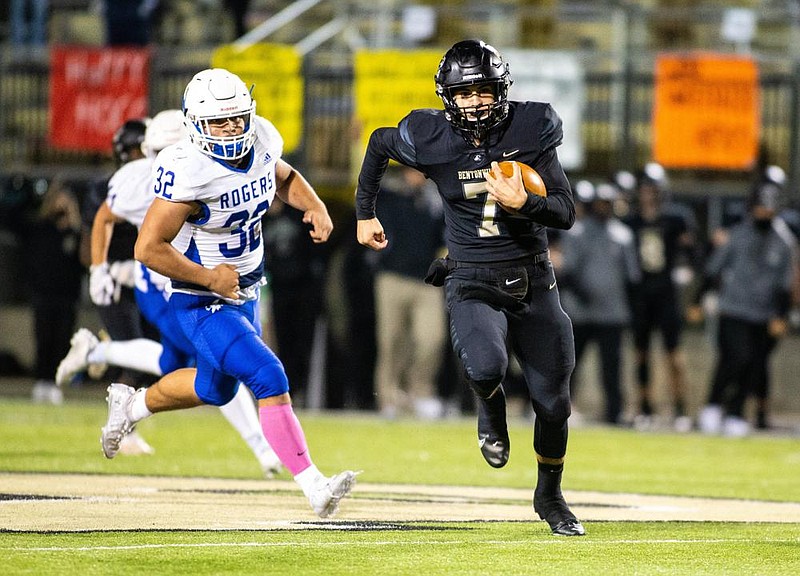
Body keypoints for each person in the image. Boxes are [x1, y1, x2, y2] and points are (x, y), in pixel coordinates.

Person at [101, 68, 356, 517]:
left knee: (214, 388)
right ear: (195, 124)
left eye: (238, 119)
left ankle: (133, 404)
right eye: (220, 122)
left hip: (246, 286)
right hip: (200, 298)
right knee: (268, 375)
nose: (232, 129)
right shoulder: (188, 170)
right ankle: (314, 485)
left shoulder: (260, 138)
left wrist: (313, 205)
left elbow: (282, 175)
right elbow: (147, 247)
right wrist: (207, 278)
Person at [355, 40, 583, 536]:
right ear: (447, 98)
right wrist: (364, 212)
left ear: (501, 90)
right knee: (486, 366)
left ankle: (550, 494)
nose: (475, 101)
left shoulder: (531, 127)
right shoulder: (429, 135)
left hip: (533, 280)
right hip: (471, 278)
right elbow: (377, 142)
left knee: (554, 402)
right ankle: (490, 407)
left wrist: (526, 204)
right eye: (464, 93)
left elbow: (565, 211)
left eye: (483, 91)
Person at [58, 109, 283, 474]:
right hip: (168, 289)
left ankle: (96, 352)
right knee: (221, 361)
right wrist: (100, 268)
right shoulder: (138, 178)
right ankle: (262, 449)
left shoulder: (211, 168)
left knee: (171, 364)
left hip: (190, 285)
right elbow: (108, 221)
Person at [693, 172, 796, 437]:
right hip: (734, 309)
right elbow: (714, 267)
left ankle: (736, 412)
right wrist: (697, 299)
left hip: (763, 313)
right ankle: (713, 406)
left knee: (753, 364)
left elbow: (785, 284)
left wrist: (781, 315)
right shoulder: (738, 234)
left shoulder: (784, 242)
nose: (764, 212)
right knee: (734, 358)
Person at [79, 118, 156, 390]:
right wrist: (105, 271)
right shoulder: (110, 188)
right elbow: (88, 246)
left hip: (152, 278)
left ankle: (100, 350)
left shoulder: (166, 181)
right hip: (116, 282)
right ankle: (122, 425)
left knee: (160, 360)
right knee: (136, 365)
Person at [557, 182, 640, 425]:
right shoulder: (577, 233)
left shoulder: (623, 236)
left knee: (612, 368)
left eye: (608, 203)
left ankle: (614, 412)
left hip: (612, 313)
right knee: (570, 364)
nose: (604, 208)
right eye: (600, 203)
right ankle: (561, 408)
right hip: (579, 311)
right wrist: (583, 292)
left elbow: (632, 276)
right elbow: (567, 271)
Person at [625, 163, 698, 431]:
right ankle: (645, 407)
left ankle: (680, 409)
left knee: (674, 355)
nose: (648, 194)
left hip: (666, 291)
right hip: (642, 294)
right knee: (641, 354)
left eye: (652, 189)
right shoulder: (630, 221)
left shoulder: (676, 218)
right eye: (645, 189)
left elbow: (690, 253)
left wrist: (685, 270)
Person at [372, 165, 447, 419]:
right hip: (391, 277)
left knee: (431, 338)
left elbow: (444, 237)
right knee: (391, 340)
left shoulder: (434, 200)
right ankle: (389, 397)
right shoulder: (387, 196)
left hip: (426, 280)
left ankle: (421, 391)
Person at [25, 181, 83, 404]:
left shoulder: (74, 232)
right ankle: (41, 380)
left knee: (62, 340)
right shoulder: (42, 228)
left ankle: (56, 383)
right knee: (43, 339)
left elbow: (81, 263)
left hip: (67, 296)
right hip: (43, 295)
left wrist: (74, 223)